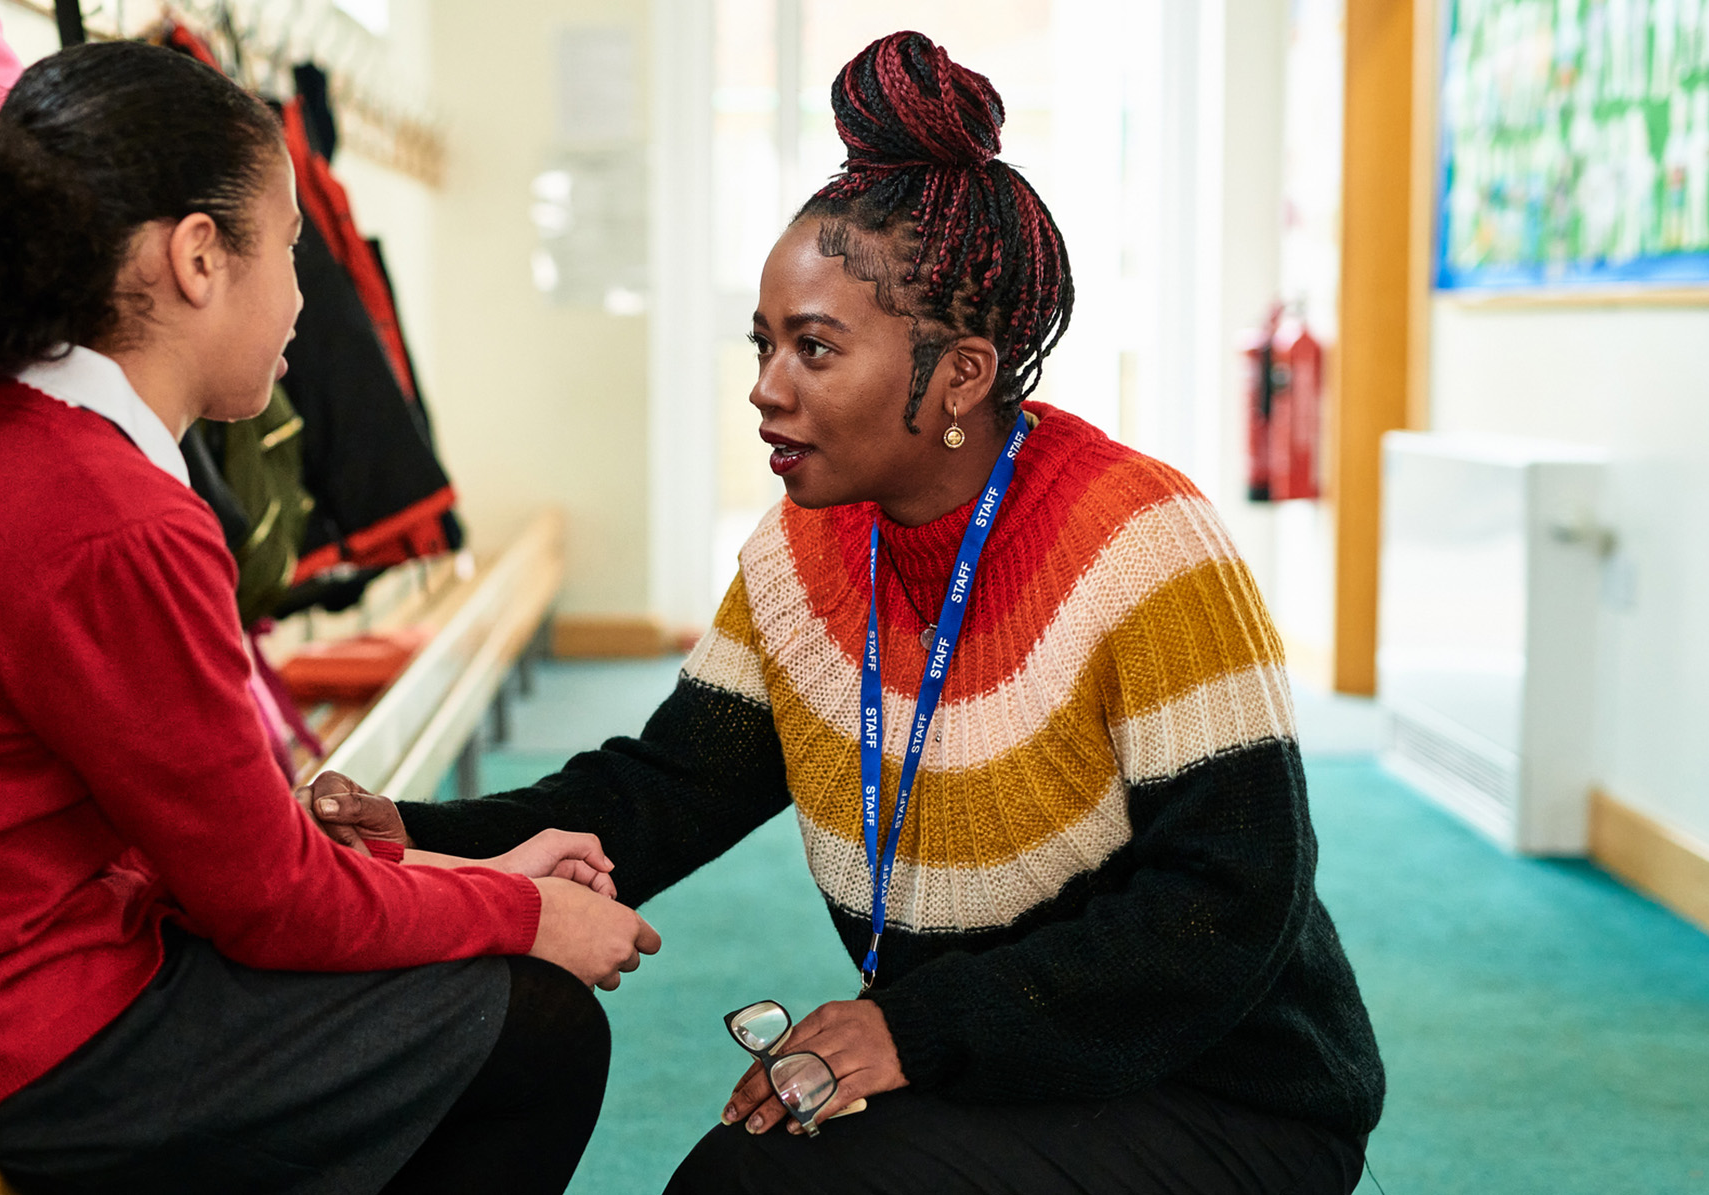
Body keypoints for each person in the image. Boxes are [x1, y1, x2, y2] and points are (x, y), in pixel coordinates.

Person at [369, 31, 1386, 1194]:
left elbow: (1228, 904)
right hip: (996, 1052)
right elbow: (662, 791)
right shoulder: (804, 553)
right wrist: (406, 835)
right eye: (763, 344)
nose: (765, 385)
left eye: (813, 347)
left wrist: (910, 1031)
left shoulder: (1145, 545)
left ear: (959, 373)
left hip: (1222, 1089)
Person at [0, 42, 656, 1195]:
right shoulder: (110, 514)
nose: (305, 303)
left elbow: (224, 849)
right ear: (201, 257)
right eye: (293, 252)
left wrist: (467, 867)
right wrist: (522, 915)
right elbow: (271, 906)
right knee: (534, 1029)